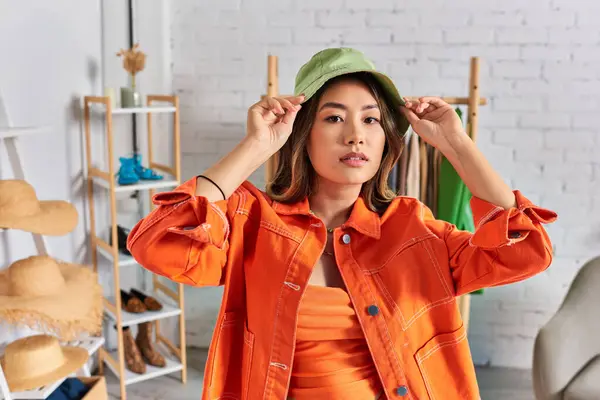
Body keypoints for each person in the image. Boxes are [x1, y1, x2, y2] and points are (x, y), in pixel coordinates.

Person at [127, 48, 557, 400]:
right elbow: (155, 242)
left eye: (370, 119)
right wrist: (256, 145)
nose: (356, 135)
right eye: (334, 118)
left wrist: (457, 145)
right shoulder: (252, 222)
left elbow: (526, 251)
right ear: (301, 134)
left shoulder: (413, 229)